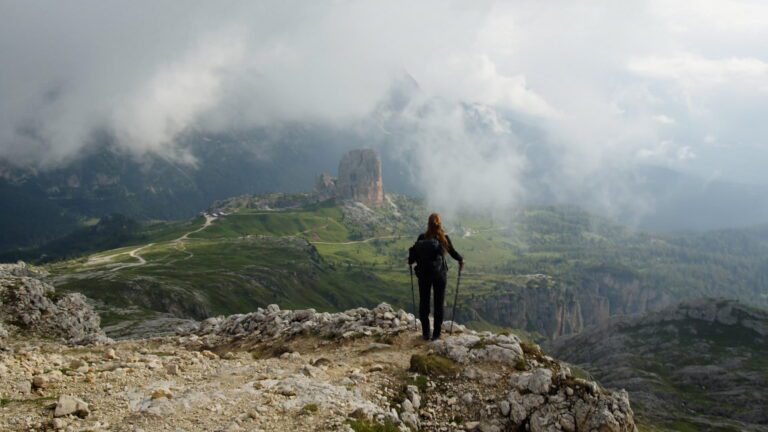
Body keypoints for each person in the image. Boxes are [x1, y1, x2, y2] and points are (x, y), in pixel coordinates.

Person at [408, 213, 464, 341]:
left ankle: (426, 333)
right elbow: (453, 253)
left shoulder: (421, 238)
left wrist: (411, 262)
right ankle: (436, 334)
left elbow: (413, 258)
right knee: (438, 304)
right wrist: (461, 260)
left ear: (428, 224)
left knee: (424, 303)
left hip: (423, 275)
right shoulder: (443, 239)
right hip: (440, 275)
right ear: (440, 223)